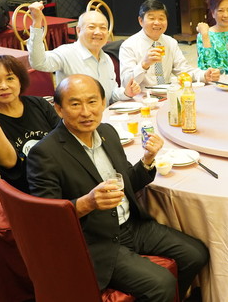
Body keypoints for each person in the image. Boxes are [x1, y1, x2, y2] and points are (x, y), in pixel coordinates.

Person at [27, 74, 209, 300]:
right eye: (75, 104)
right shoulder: (45, 153)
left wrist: (147, 159)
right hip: (95, 240)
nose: (86, 112)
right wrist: (87, 203)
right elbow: (47, 219)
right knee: (162, 283)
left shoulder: (108, 132)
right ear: (59, 109)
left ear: (103, 103)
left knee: (196, 254)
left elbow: (128, 183)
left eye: (92, 102)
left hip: (132, 225)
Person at [0, 55, 60, 193]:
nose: (4, 86)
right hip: (25, 188)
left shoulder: (39, 104)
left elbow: (63, 139)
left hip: (58, 175)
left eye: (10, 78)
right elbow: (9, 163)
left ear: (20, 81)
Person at [27, 2, 140, 104]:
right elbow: (39, 63)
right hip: (78, 117)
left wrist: (126, 93)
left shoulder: (106, 58)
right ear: (78, 30)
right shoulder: (66, 53)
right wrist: (37, 23)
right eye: (91, 27)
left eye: (103, 28)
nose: (98, 32)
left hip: (103, 116)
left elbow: (110, 95)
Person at [119, 0, 220, 87]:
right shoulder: (129, 46)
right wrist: (143, 65)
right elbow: (126, 83)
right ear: (140, 21)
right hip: (141, 97)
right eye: (152, 18)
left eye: (161, 18)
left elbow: (183, 70)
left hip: (167, 94)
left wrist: (204, 75)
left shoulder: (170, 42)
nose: (157, 22)